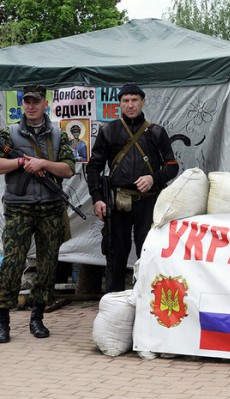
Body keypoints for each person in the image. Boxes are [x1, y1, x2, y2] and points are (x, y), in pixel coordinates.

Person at [0, 85, 76, 343]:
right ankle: (3, 321)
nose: (30, 106)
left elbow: (67, 169)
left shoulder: (57, 135)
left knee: (47, 263)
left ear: (46, 104)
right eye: (26, 101)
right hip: (18, 206)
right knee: (11, 263)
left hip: (50, 206)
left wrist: (43, 163)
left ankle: (37, 317)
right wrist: (21, 162)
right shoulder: (9, 133)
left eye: (36, 101)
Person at [86, 83, 178, 293]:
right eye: (125, 101)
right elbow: (93, 167)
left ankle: (147, 299)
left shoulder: (156, 132)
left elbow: (172, 166)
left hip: (149, 202)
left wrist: (153, 178)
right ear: (119, 104)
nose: (130, 105)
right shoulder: (108, 131)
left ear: (142, 102)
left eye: (134, 100)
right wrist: (97, 198)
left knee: (148, 252)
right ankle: (114, 302)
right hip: (118, 202)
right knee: (116, 254)